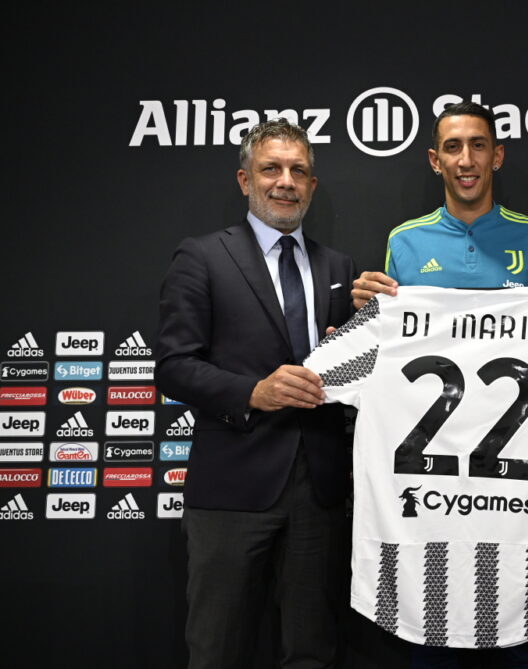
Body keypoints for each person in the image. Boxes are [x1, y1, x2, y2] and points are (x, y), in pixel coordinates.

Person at [351, 101, 528, 668]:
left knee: (525, 638)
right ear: (435, 160)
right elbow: (388, 348)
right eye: (453, 147)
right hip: (433, 486)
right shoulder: (406, 241)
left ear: (497, 156)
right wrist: (367, 316)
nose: (466, 160)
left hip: (518, 488)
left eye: (478, 145)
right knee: (432, 630)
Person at [156, 118, 357, 669]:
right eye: (271, 169)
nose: (285, 181)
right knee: (218, 650)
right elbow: (173, 366)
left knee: (312, 651)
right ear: (245, 180)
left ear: (312, 185)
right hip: (231, 487)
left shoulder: (338, 267)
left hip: (319, 489)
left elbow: (351, 375)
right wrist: (254, 392)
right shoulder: (202, 257)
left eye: (298, 171)